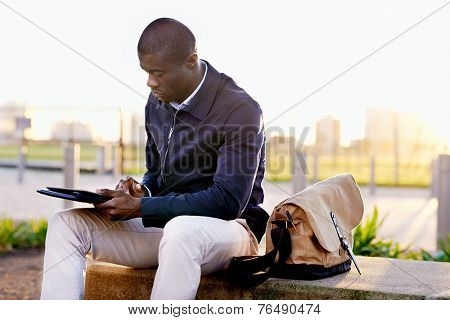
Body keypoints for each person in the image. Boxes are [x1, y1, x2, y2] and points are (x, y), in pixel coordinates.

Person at [40, 17, 268, 300]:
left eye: (158, 72)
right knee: (66, 224)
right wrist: (142, 190)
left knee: (181, 231)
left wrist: (141, 207)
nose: (149, 82)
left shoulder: (240, 109)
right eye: (146, 71)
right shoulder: (157, 102)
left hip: (233, 232)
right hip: (169, 228)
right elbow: (156, 172)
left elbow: (228, 202)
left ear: (191, 61)